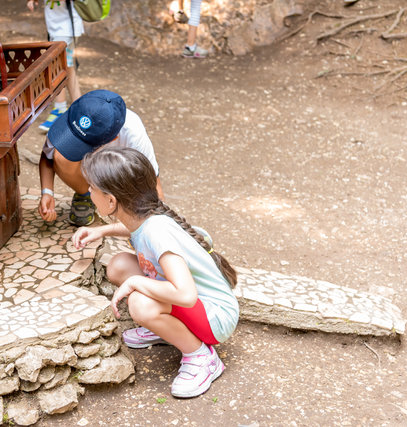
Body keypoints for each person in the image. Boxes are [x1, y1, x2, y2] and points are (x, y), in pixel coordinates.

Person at [71, 147, 239, 398]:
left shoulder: (157, 232)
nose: (88, 192)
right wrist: (102, 231)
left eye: (92, 188)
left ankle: (201, 357)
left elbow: (185, 295)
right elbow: (135, 230)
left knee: (141, 304)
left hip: (216, 318)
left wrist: (136, 282)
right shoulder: (147, 218)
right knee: (118, 266)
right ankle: (167, 329)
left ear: (111, 201)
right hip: (199, 306)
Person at [38, 90, 163, 226]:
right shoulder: (78, 113)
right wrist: (47, 192)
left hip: (116, 178)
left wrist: (153, 224)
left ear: (113, 138)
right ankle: (85, 195)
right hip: (86, 171)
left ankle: (113, 201)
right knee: (61, 156)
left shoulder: (133, 134)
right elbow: (47, 156)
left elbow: (153, 186)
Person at [27, 0, 83, 132]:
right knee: (67, 68)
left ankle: (60, 109)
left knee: (57, 68)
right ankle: (80, 109)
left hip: (65, 29)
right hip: (60, 28)